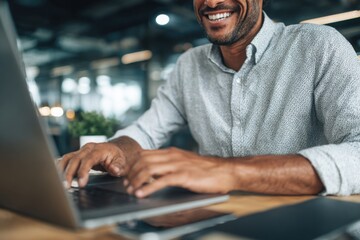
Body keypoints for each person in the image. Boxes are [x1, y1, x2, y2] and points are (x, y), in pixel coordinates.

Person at [59, 0, 360, 198]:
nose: (212, 2)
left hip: (307, 223)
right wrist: (114, 148)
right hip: (218, 220)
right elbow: (145, 133)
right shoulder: (189, 65)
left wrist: (228, 171)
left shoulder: (319, 46)